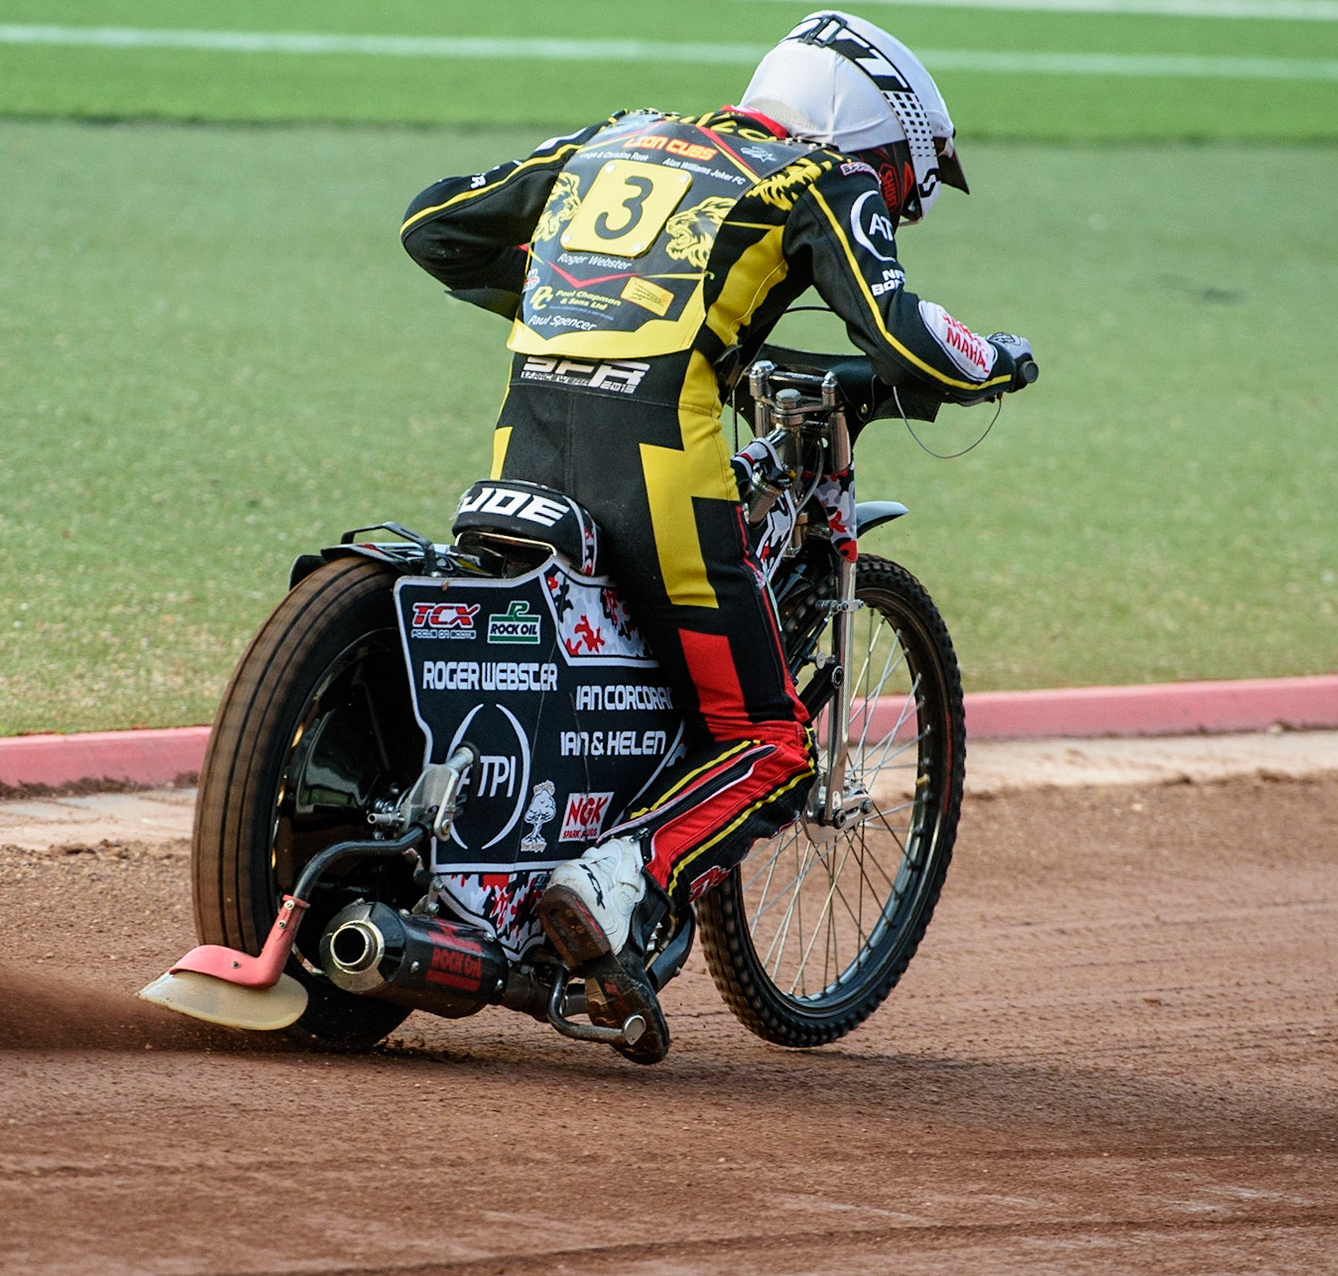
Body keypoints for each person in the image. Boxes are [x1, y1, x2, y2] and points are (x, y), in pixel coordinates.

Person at [400, 10, 1034, 1063]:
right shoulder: (813, 178)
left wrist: (586, 294)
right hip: (655, 464)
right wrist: (999, 358)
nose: (889, 198)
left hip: (526, 441)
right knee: (773, 744)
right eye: (897, 178)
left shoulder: (621, 138)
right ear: (869, 129)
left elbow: (435, 226)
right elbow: (898, 333)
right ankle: (616, 880)